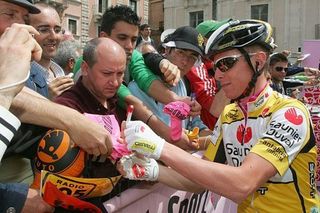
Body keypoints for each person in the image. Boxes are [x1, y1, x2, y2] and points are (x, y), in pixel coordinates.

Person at [119, 19, 320, 212]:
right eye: (215, 66)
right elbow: (198, 181)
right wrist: (152, 170)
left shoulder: (289, 113)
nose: (217, 75)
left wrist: (159, 148)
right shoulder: (230, 115)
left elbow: (243, 183)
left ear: (259, 62)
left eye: (226, 64)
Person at [0, 4, 53, 212]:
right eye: (9, 14)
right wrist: (12, 200)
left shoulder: (35, 73)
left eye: (23, 18)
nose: (20, 27)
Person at [129, 26, 211, 138]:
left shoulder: (185, 85)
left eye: (192, 57)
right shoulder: (137, 87)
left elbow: (194, 124)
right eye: (181, 52)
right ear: (167, 50)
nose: (185, 61)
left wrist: (213, 136)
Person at [29, 2, 74, 99]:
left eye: (57, 30)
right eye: (44, 30)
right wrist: (46, 99)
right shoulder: (20, 76)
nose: (53, 37)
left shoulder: (60, 72)